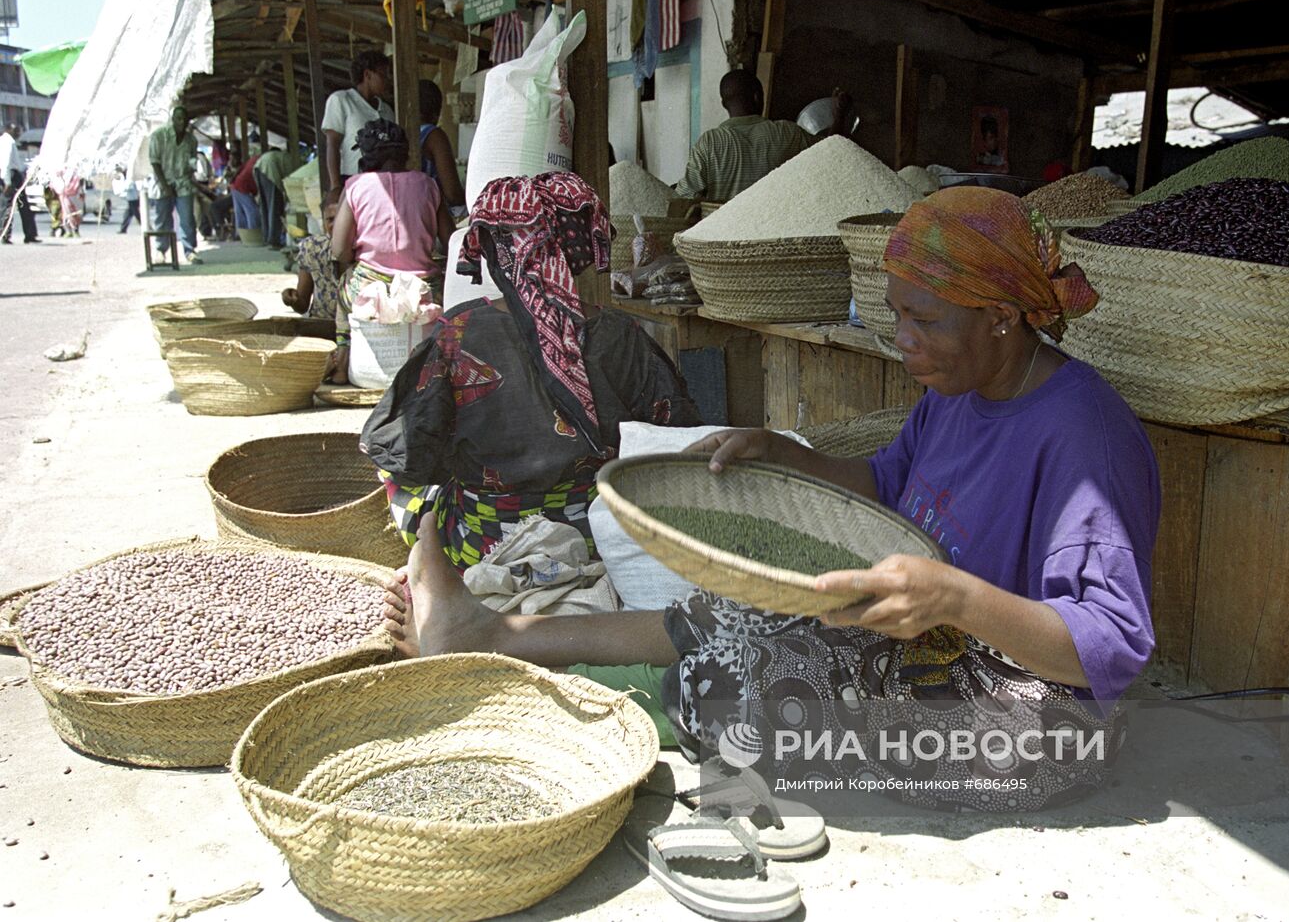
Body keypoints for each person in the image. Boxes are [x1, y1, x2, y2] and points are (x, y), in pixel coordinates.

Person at [379, 187, 1161, 812]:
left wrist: (954, 597)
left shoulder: (1083, 436)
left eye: (923, 318)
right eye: (895, 313)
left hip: (1035, 710)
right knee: (733, 614)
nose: (903, 337)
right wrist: (789, 457)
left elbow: (1109, 650)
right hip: (942, 644)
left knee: (759, 687)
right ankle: (491, 632)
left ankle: (551, 693)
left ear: (1000, 318)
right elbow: (890, 486)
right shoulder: (957, 389)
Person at [361, 170, 702, 574]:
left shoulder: (455, 335)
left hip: (484, 543)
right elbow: (675, 439)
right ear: (577, 251)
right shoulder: (620, 334)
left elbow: (406, 451)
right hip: (597, 538)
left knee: (399, 480)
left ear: (492, 253)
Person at [328, 119, 454, 383]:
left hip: (370, 286)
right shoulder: (428, 184)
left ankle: (341, 360)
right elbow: (450, 240)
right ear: (406, 153)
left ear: (365, 155)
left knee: (342, 289)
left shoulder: (355, 186)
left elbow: (339, 250)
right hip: (425, 288)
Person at [674, 70, 851, 203]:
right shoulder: (786, 133)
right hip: (774, 240)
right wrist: (839, 116)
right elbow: (833, 152)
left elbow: (685, 196)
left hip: (721, 244)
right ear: (758, 97)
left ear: (723, 104)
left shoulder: (708, 143)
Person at [322, 49, 394, 205]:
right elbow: (332, 145)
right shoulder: (342, 100)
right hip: (352, 179)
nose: (387, 80)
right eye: (383, 75)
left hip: (384, 182)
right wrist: (335, 186)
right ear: (367, 75)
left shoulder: (386, 111)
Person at [148, 104, 201, 264]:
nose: (182, 122)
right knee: (162, 218)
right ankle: (161, 251)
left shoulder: (191, 140)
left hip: (183, 182)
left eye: (185, 119)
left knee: (187, 218)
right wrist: (165, 186)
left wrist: (191, 177)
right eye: (178, 118)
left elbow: (192, 163)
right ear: (172, 119)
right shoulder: (159, 135)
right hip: (162, 181)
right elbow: (155, 163)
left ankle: (189, 250)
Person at [282, 201, 341, 319]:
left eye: (341, 218)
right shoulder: (313, 248)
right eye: (330, 220)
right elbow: (302, 305)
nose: (336, 224)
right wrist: (292, 299)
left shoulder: (366, 252)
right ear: (323, 223)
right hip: (321, 325)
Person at [417, 79, 466, 213]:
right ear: (437, 110)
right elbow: (453, 194)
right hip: (434, 214)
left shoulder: (402, 133)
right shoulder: (434, 135)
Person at [253, 146, 302, 250]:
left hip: (258, 169)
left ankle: (267, 237)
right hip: (270, 171)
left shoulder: (274, 156)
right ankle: (274, 241)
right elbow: (292, 180)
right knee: (274, 207)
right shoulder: (289, 159)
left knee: (265, 206)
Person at [1, 123, 38, 245]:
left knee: (24, 207)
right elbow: (5, 163)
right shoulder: (7, 142)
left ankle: (30, 234)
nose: (18, 133)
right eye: (16, 130)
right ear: (8, 130)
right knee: (7, 207)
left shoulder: (7, 141)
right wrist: (7, 182)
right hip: (11, 176)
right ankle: (5, 234)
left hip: (14, 174)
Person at [229, 147, 261, 238]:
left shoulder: (253, 160)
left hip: (235, 184)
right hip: (242, 186)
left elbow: (241, 169)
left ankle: (240, 234)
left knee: (239, 211)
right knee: (252, 210)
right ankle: (253, 233)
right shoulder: (259, 163)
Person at [115, 168, 141, 234]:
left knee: (137, 215)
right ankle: (123, 229)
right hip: (130, 199)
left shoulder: (130, 179)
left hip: (133, 199)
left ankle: (146, 227)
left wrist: (122, 189)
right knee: (127, 215)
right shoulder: (127, 179)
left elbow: (129, 187)